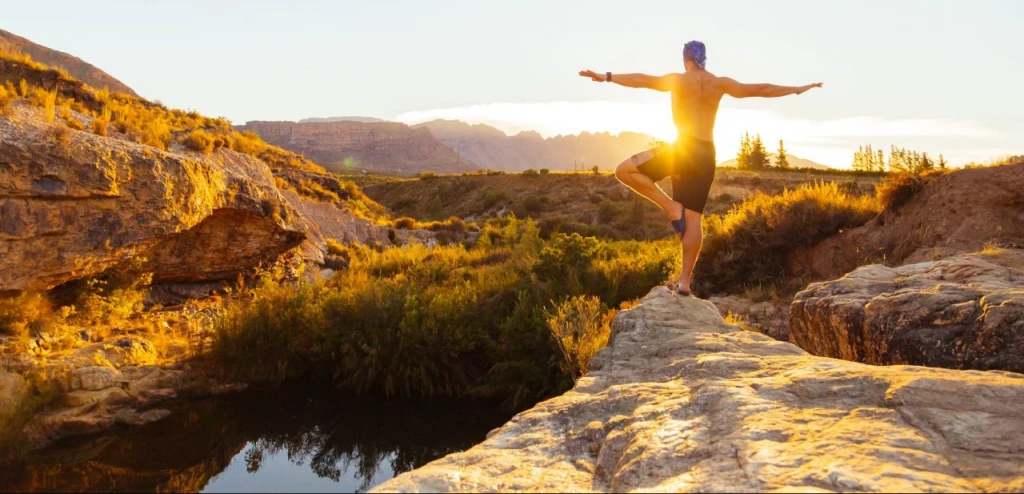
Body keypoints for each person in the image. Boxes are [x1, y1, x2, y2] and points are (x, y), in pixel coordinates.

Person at [579, 41, 822, 296]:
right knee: (694, 218)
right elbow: (761, 88)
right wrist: (797, 89)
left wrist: (605, 76)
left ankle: (670, 207)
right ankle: (685, 283)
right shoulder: (721, 83)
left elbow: (641, 79)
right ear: (705, 59)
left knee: (624, 170)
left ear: (686, 60)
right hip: (706, 153)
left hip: (681, 149)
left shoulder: (678, 80)